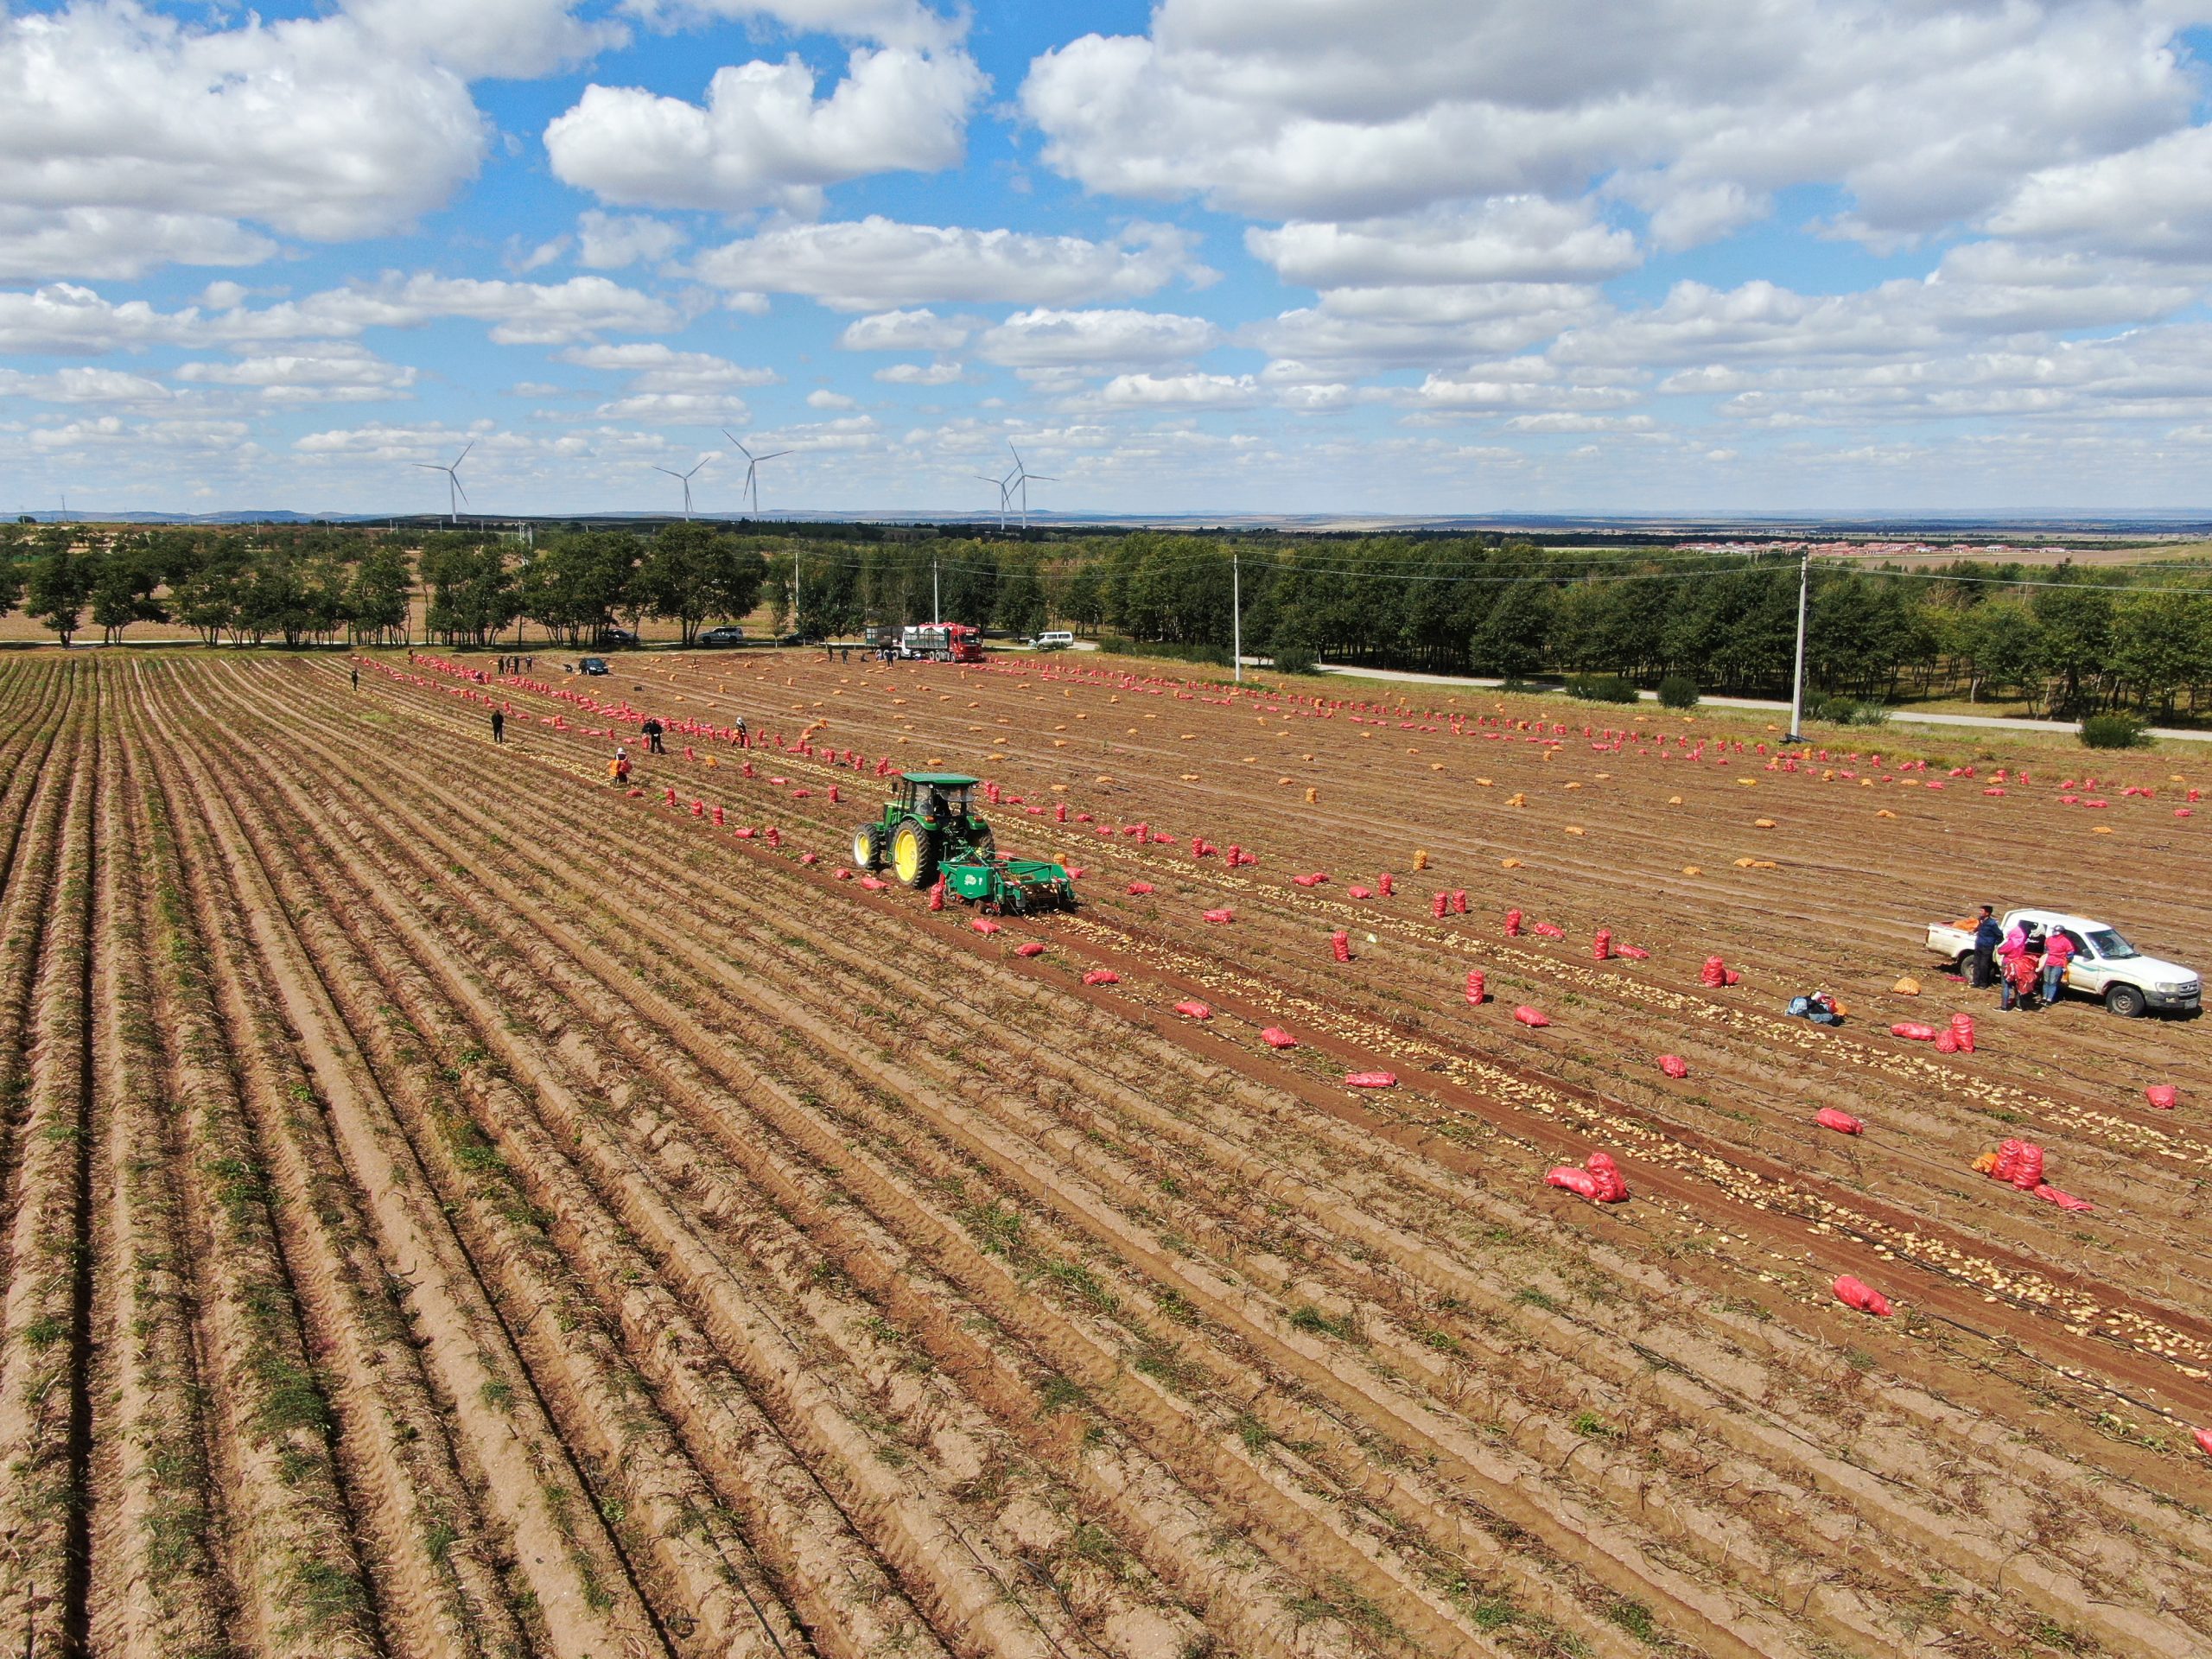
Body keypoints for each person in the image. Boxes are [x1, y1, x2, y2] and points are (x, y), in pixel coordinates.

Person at [2041, 930, 2076, 1007]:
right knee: (2047, 981)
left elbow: (2070, 952)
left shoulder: (2065, 941)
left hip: (2058, 964)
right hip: (2048, 962)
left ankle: (2049, 999)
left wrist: (2066, 959)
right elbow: (2046, 949)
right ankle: (2044, 998)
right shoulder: (2049, 939)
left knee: (2052, 982)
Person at [1969, 905, 2001, 988]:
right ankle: (1975, 982)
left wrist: (1993, 943)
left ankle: (1983, 984)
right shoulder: (1981, 920)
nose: (1980, 913)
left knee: (1984, 965)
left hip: (1987, 947)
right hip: (1979, 945)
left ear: (1987, 913)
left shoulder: (1992, 923)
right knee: (1976, 964)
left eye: (1982, 911)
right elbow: (1979, 927)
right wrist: (1974, 931)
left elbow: (1999, 935)